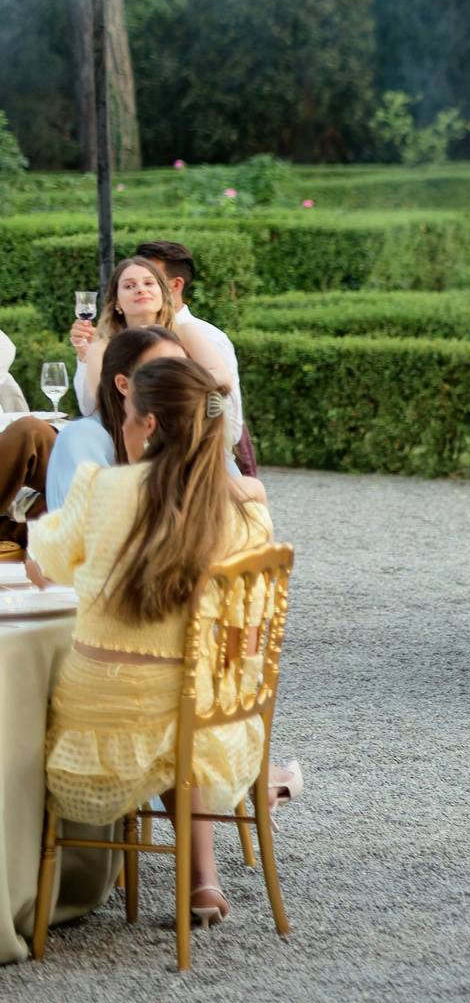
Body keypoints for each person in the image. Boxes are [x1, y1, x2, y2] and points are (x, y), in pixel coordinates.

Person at [27, 356, 279, 930]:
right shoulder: (240, 507)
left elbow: (47, 557)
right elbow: (243, 630)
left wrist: (44, 562)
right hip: (208, 719)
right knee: (176, 702)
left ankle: (34, 881)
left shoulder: (101, 487)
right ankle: (203, 880)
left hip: (96, 721)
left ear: (144, 425)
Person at [43, 325, 193, 509]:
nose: (181, 382)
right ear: (124, 384)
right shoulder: (83, 437)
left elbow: (235, 496)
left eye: (184, 370)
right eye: (164, 373)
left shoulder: (191, 430)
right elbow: (92, 525)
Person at [131, 240, 249, 463]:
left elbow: (230, 429)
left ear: (175, 285)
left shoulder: (210, 338)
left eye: (149, 281)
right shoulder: (126, 335)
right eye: (131, 283)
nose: (140, 289)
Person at [70, 256, 176, 418]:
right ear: (117, 302)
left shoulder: (185, 335)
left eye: (148, 283)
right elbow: (90, 408)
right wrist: (85, 356)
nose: (140, 289)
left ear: (162, 292)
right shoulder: (104, 347)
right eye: (129, 286)